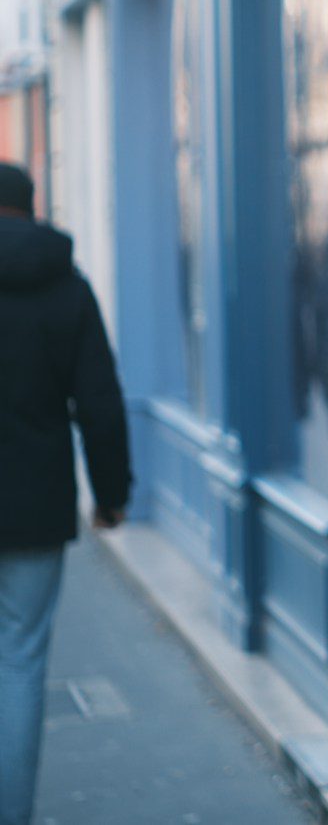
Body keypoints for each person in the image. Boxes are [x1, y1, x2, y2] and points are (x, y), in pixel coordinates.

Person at [0, 163, 130, 825]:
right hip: (33, 506)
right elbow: (100, 402)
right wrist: (112, 495)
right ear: (32, 207)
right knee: (19, 660)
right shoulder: (66, 286)